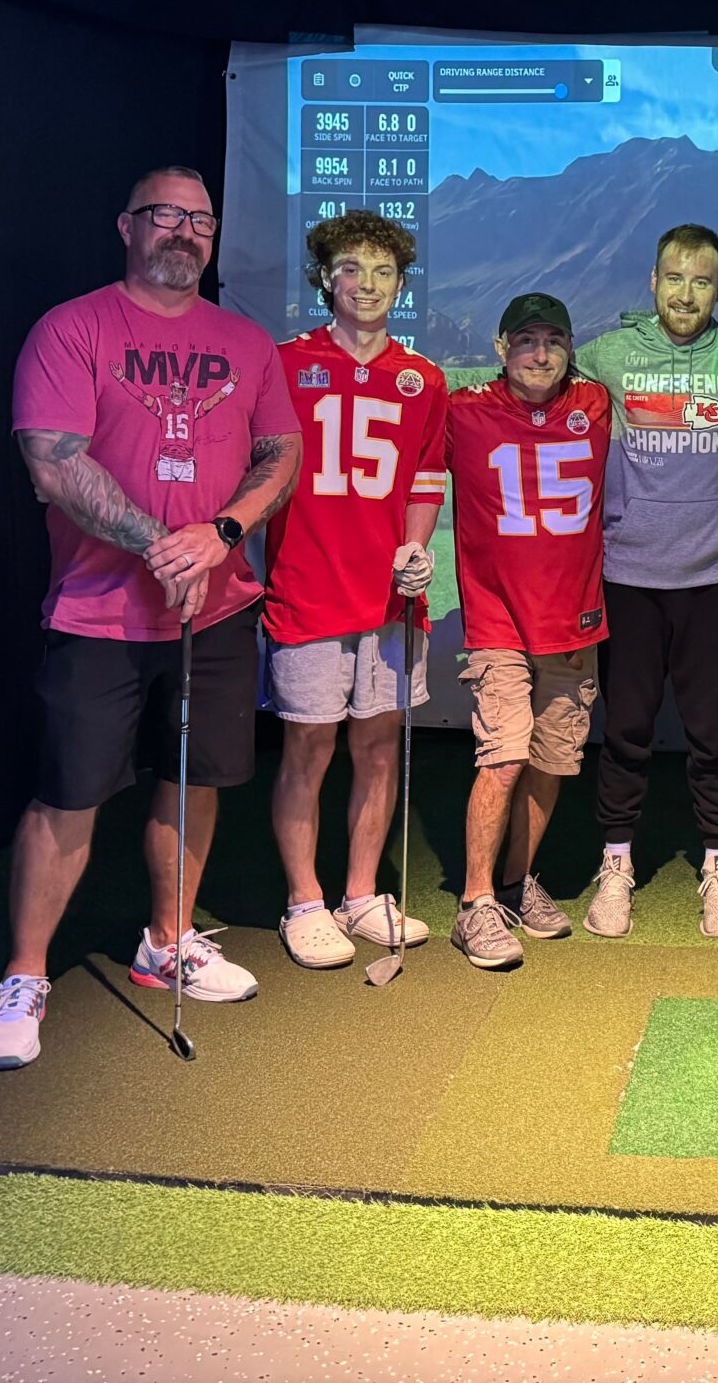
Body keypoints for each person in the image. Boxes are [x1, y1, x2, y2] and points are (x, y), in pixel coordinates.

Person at [0, 167, 301, 1069]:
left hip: (218, 610)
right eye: (166, 214)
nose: (185, 231)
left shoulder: (245, 342)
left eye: (201, 219)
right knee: (68, 795)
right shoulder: (73, 328)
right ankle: (25, 972)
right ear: (127, 226)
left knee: (192, 777)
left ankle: (168, 940)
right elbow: (53, 460)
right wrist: (167, 546)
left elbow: (282, 451)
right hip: (100, 614)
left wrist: (221, 533)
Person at [576, 223, 718, 938]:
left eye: (701, 280)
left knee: (712, 733)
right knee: (626, 729)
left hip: (715, 576)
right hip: (628, 575)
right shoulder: (607, 355)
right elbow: (534, 380)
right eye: (674, 277)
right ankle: (616, 862)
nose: (686, 293)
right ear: (653, 281)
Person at [260, 212, 448, 967]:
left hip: (389, 597)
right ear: (324, 278)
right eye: (350, 268)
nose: (366, 284)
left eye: (382, 271)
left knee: (377, 747)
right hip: (307, 587)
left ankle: (361, 892)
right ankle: (304, 900)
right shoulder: (284, 362)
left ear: (401, 284)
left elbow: (426, 477)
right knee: (307, 748)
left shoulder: (423, 377)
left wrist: (416, 547)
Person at [441, 295, 614, 969]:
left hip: (573, 618)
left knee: (550, 760)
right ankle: (476, 902)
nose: (541, 354)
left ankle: (515, 881)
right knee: (505, 756)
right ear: (501, 346)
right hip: (498, 620)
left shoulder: (595, 402)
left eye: (554, 341)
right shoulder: (464, 411)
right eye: (526, 341)